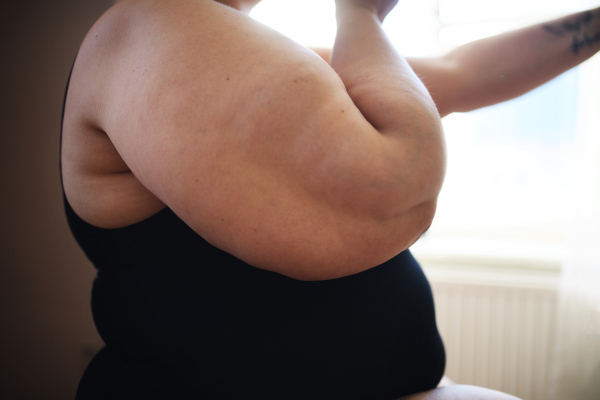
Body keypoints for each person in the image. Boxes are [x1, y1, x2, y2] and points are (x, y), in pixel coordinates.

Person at [60, 0, 599, 399]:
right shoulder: (150, 26)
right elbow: (392, 189)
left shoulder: (231, 47)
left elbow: (462, 75)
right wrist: (360, 15)